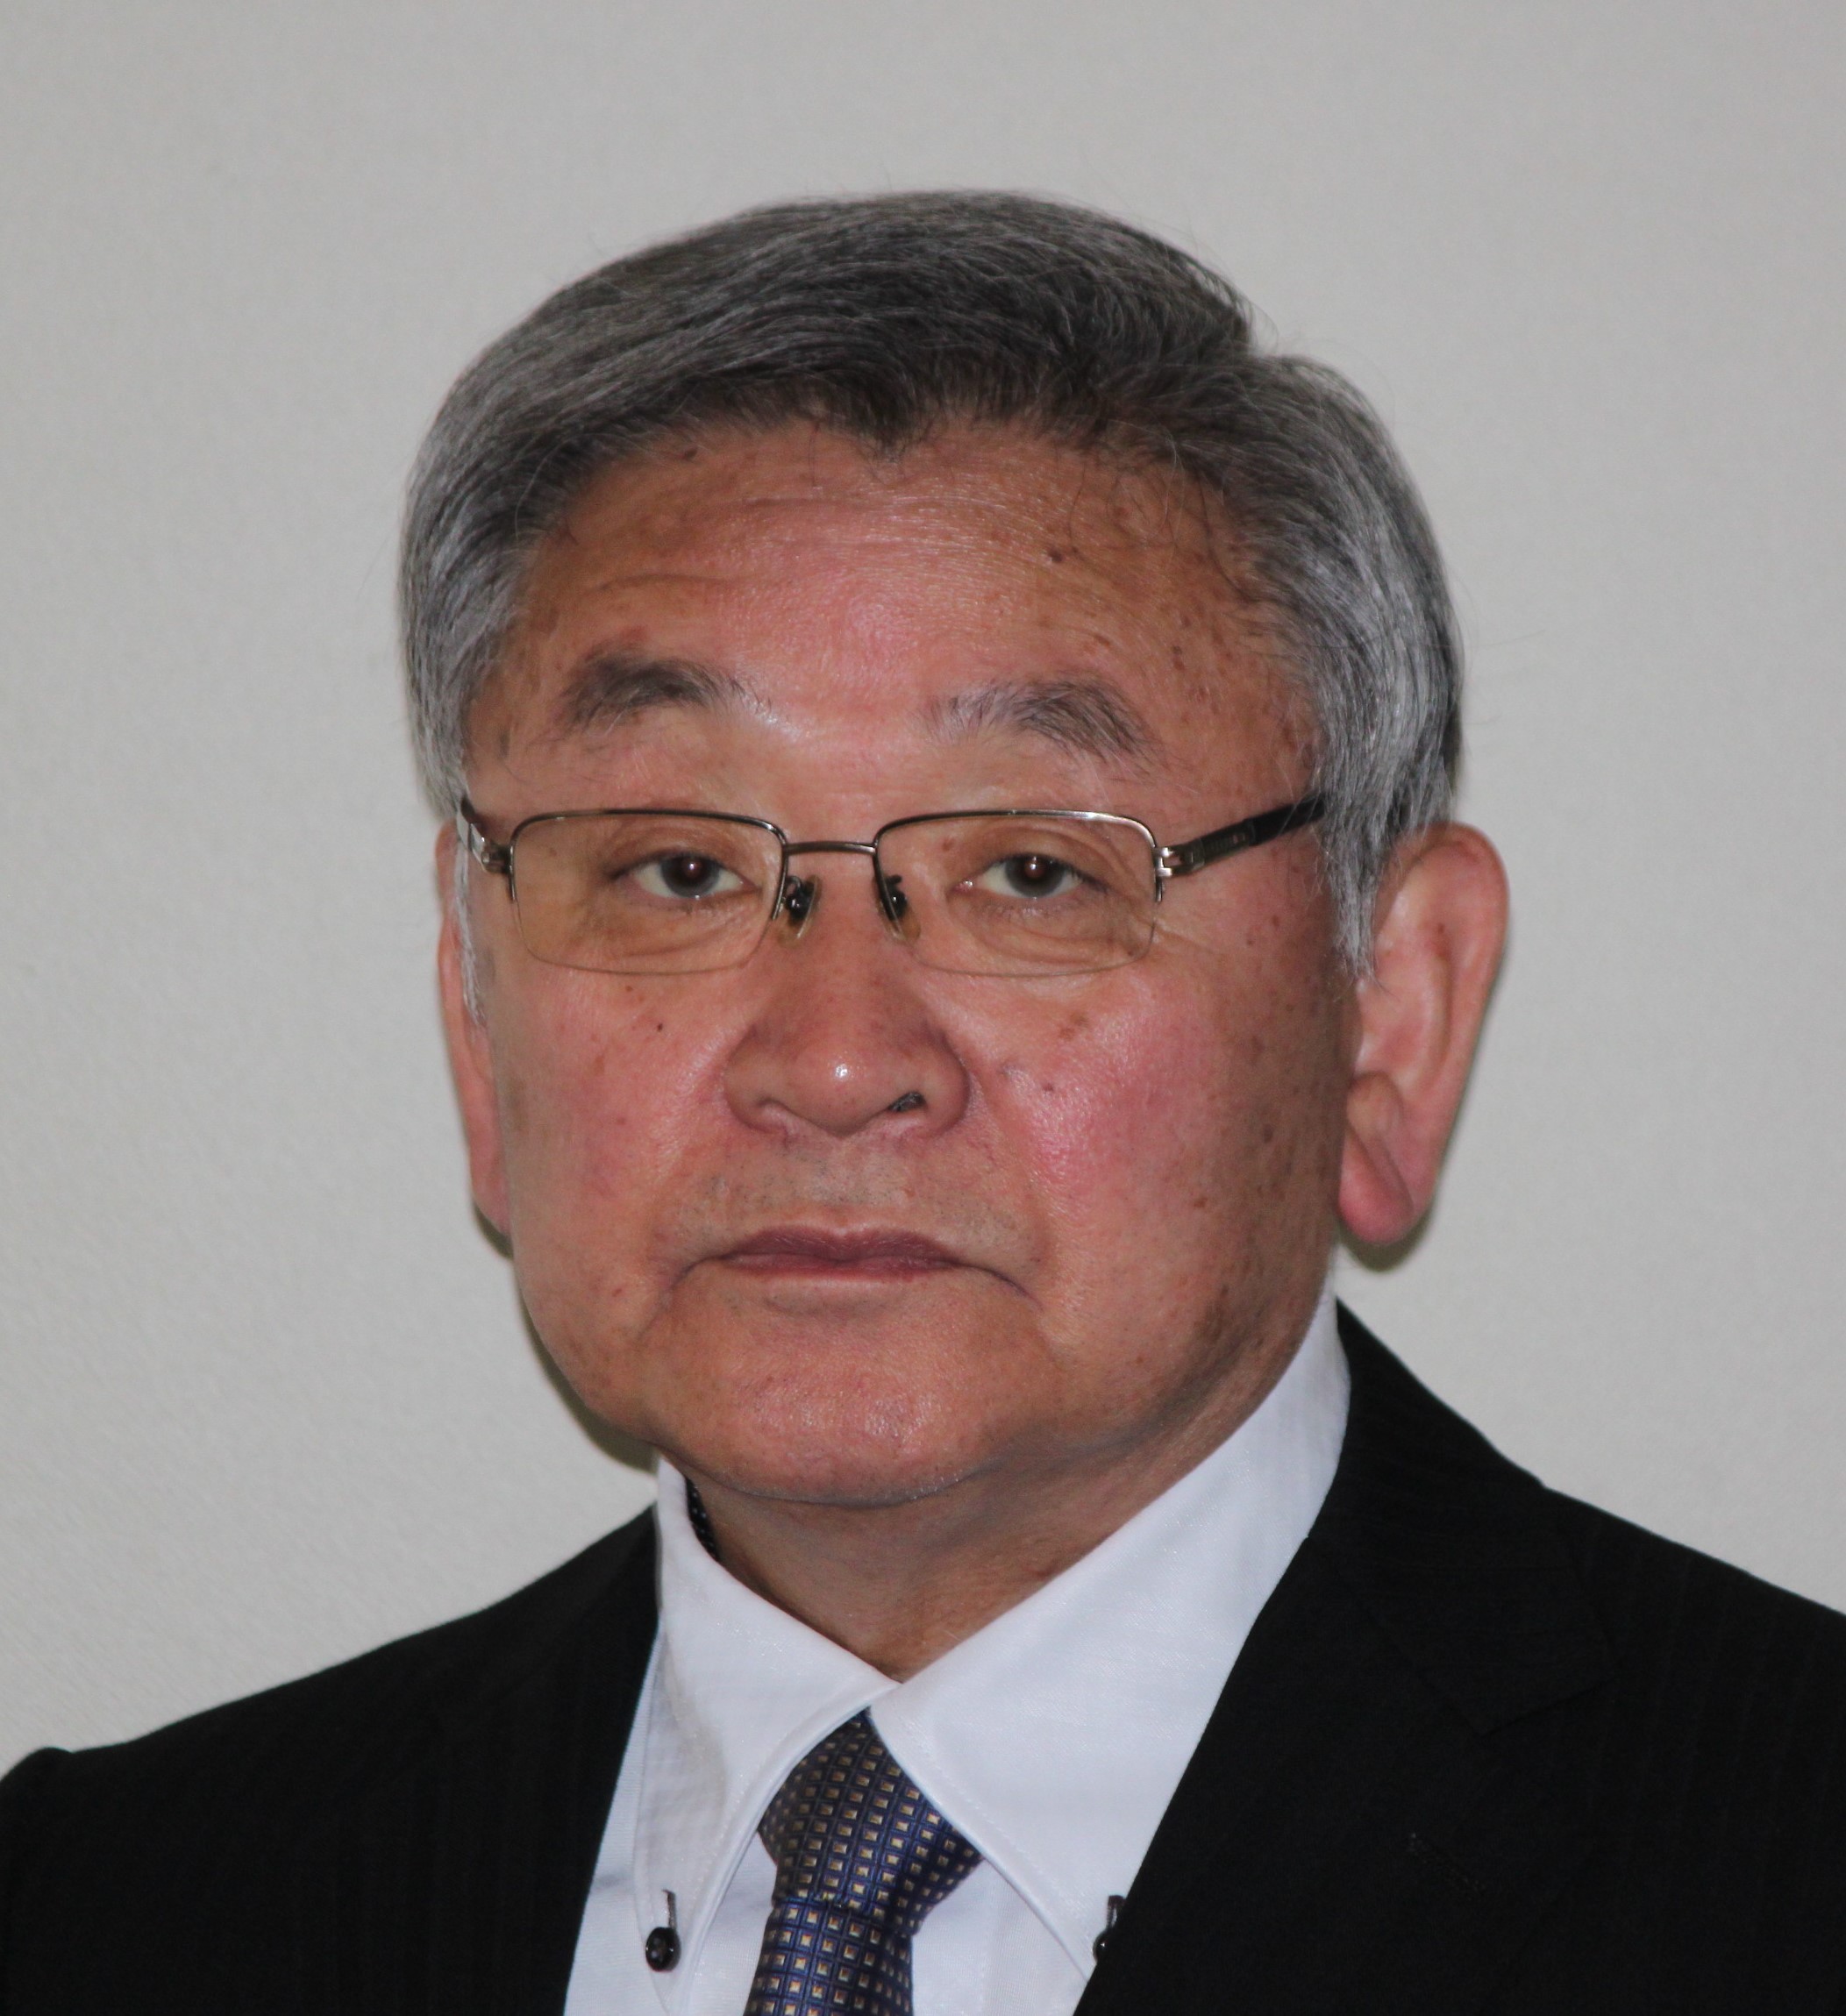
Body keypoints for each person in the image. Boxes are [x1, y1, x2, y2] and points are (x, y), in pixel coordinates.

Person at [2, 191, 1842, 2015]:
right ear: (479, 1026)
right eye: (674, 871)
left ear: (1393, 1012)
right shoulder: (107, 1914)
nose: (832, 1063)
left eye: (1034, 873)